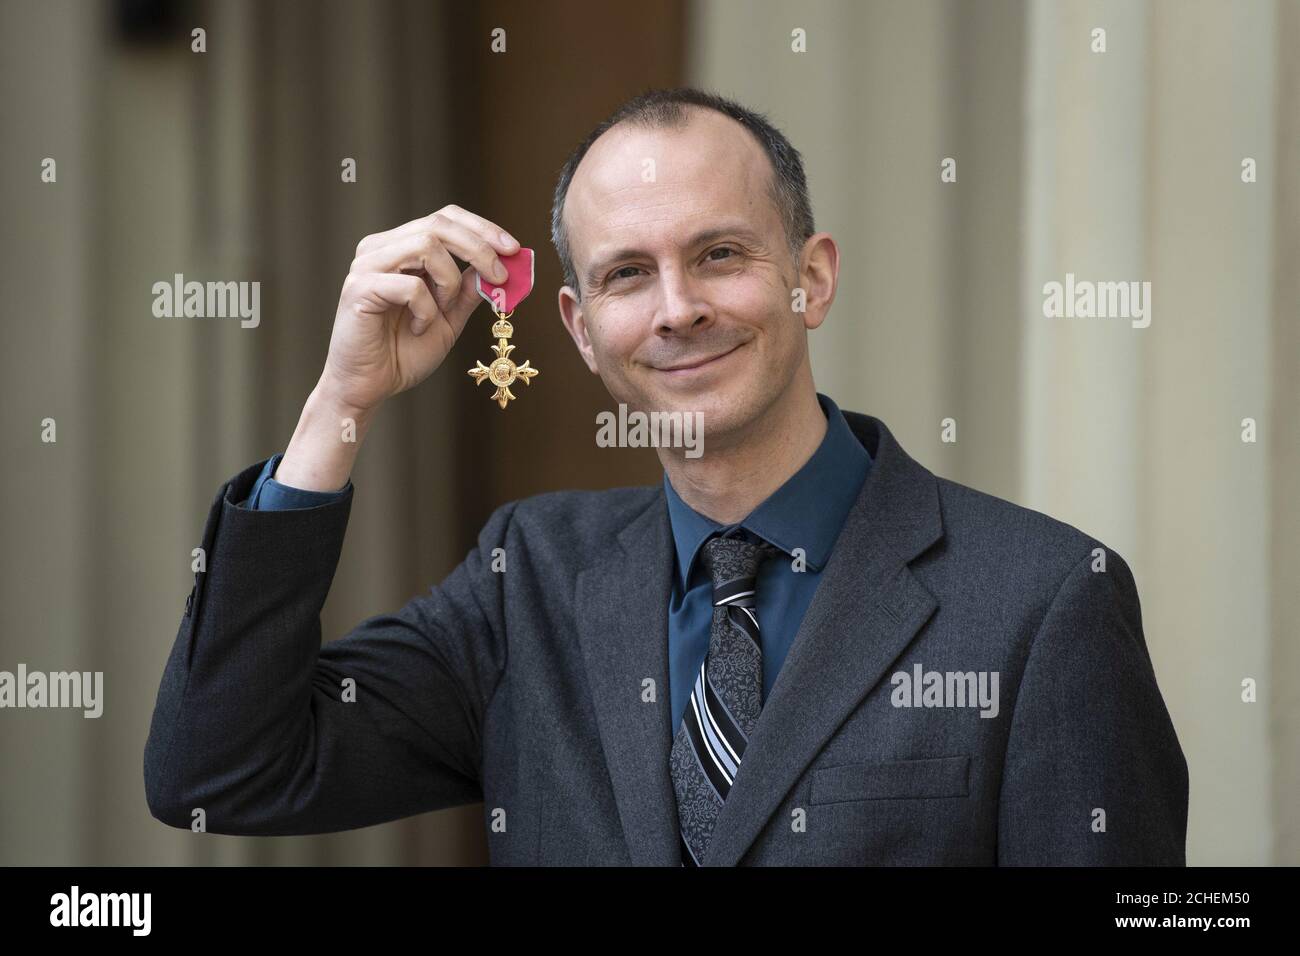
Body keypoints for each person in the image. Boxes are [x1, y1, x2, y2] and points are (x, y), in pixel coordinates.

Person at [144, 87, 1188, 866]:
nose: (676, 306)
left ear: (810, 277)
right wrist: (340, 405)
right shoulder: (527, 578)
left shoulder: (1044, 598)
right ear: (582, 330)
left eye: (721, 253)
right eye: (627, 274)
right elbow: (220, 768)